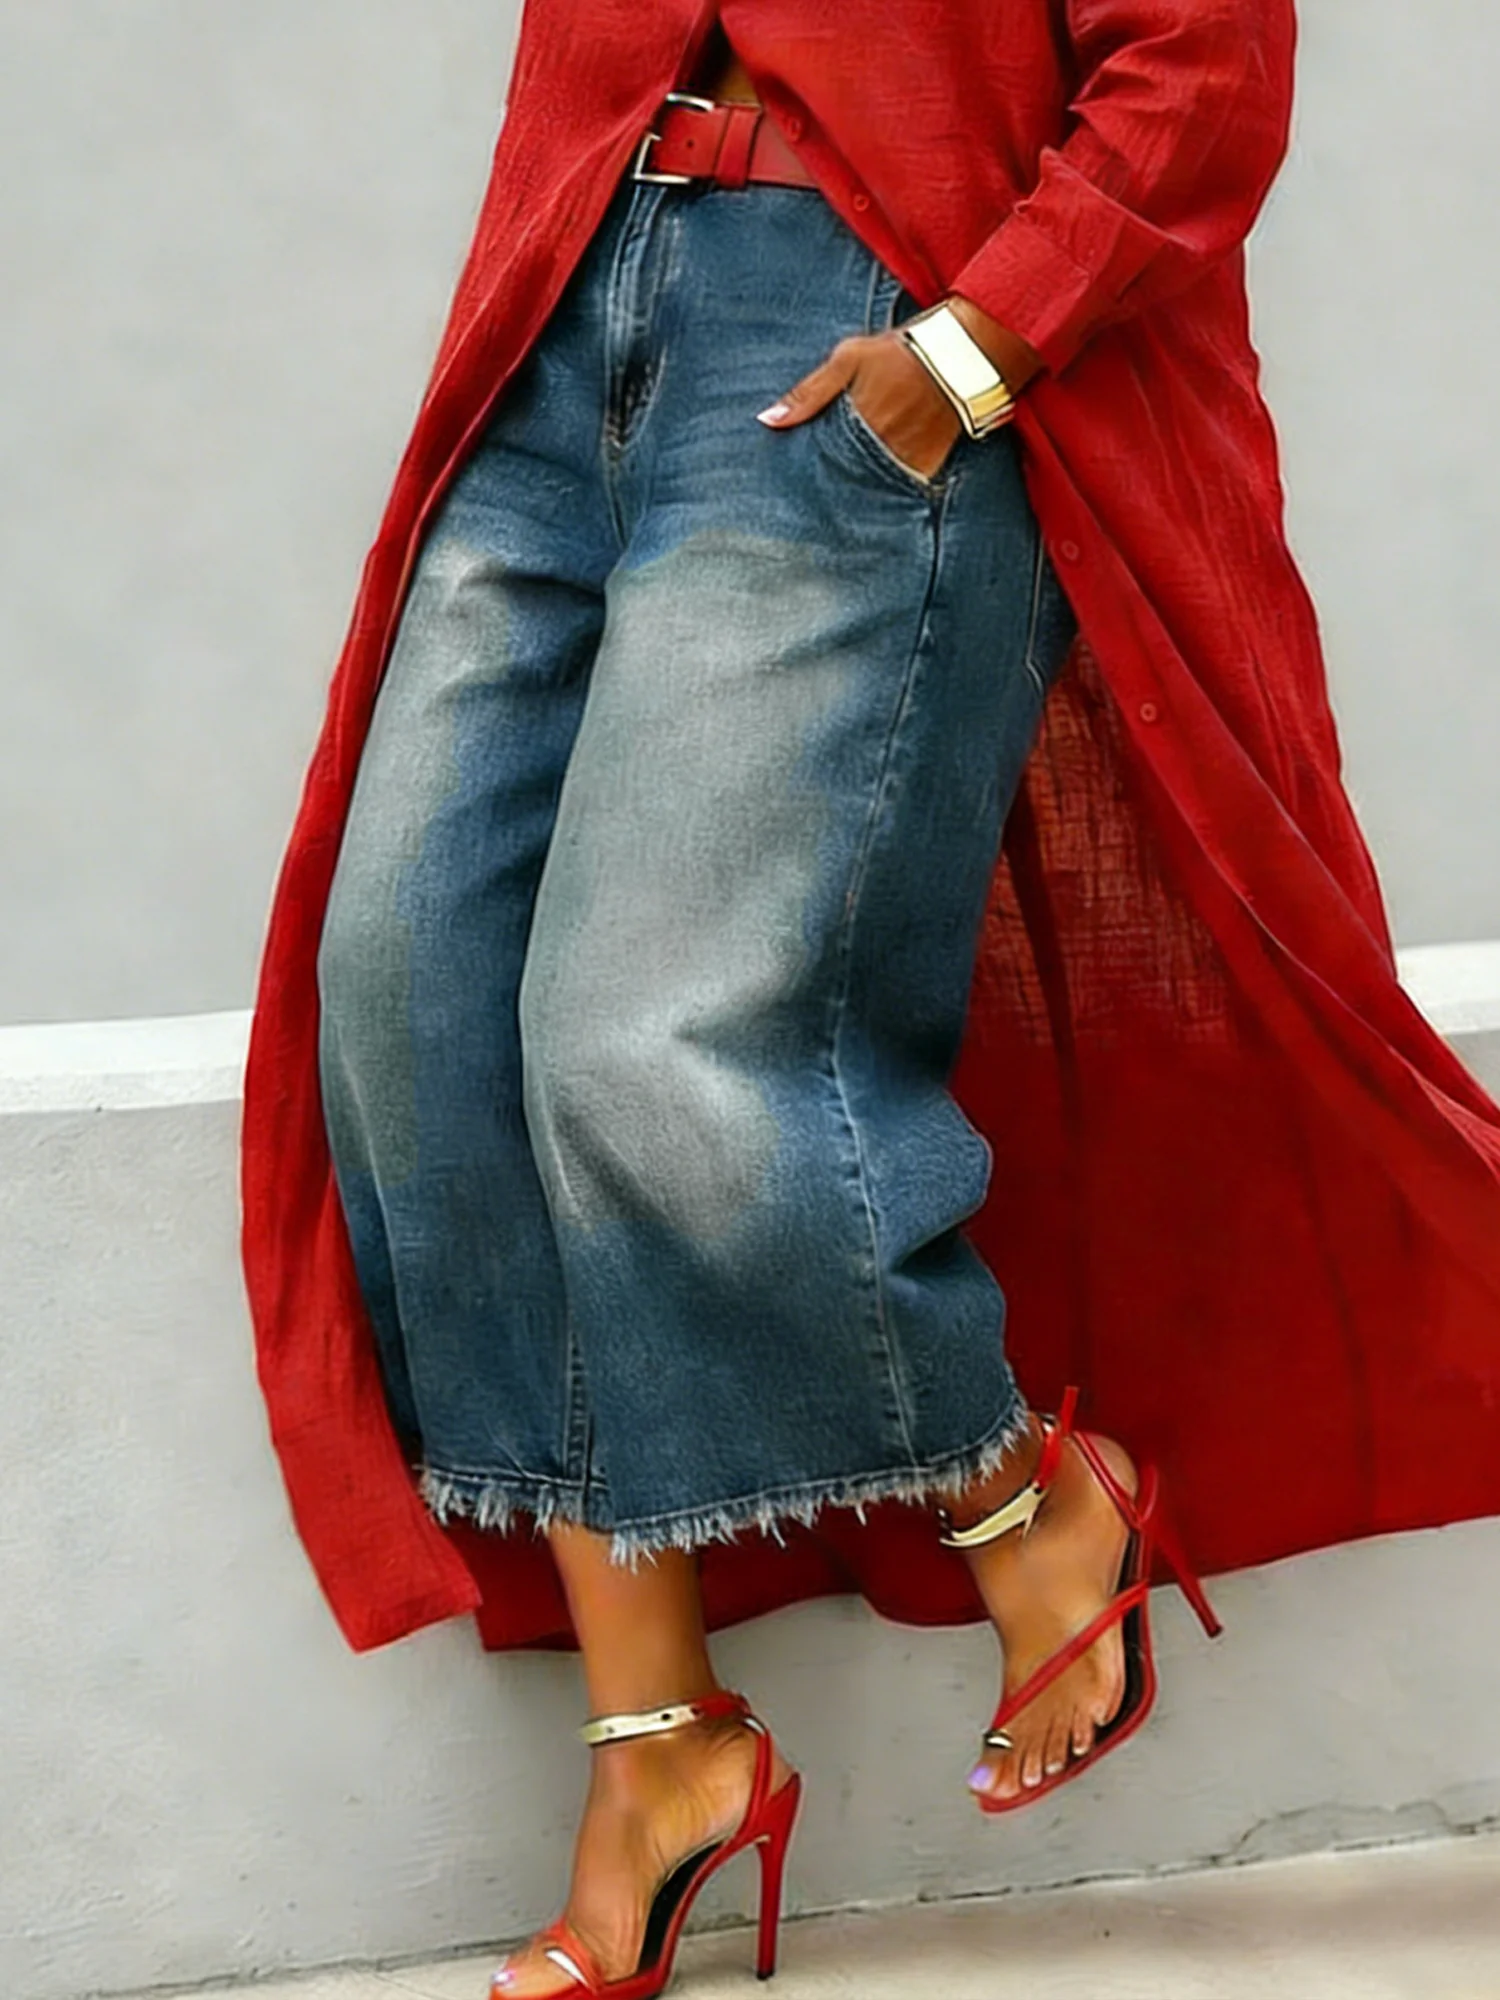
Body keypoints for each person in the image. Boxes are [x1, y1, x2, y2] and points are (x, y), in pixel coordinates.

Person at [240, 7, 1500, 2000]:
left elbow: (1202, 69)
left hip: (852, 307)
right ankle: (665, 1743)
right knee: (410, 996)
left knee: (643, 1046)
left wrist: (973, 347)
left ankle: (1022, 1497)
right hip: (576, 284)